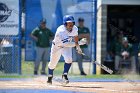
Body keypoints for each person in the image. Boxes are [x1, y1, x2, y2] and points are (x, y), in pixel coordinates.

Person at [47, 15, 86, 84]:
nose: (71, 24)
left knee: (69, 59)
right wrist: (79, 43)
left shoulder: (75, 28)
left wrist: (78, 47)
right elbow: (67, 44)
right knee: (53, 63)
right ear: (65, 24)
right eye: (69, 23)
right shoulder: (60, 31)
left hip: (66, 46)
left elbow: (75, 37)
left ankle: (64, 75)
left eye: (72, 23)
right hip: (57, 47)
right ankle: (50, 76)